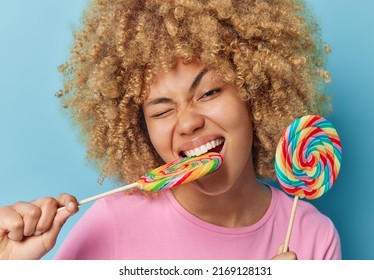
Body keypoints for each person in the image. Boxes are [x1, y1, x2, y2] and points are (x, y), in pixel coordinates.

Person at [0, 0, 340, 260]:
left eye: (209, 92)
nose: (188, 122)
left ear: (256, 92)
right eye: (162, 110)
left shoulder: (313, 236)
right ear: (140, 129)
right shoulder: (112, 223)